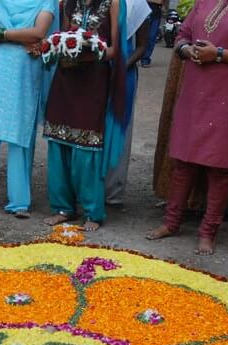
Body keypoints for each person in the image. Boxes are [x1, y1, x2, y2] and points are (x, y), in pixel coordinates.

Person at [146, 0, 228, 254]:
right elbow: (183, 34)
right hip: (195, 91)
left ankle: (208, 232)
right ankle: (171, 223)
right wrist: (187, 50)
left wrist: (218, 54)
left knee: (220, 167)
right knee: (183, 160)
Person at [42, 0, 127, 232]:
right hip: (66, 79)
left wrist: (90, 54)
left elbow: (114, 50)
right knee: (58, 141)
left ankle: (93, 211)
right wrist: (61, 49)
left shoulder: (114, 3)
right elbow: (64, 36)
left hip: (94, 81)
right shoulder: (68, 3)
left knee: (87, 145)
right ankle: (63, 208)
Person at [0, 0, 56, 217]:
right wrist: (18, 37)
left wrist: (3, 34)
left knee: (20, 133)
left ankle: (19, 202)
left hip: (23, 73)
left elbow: (38, 32)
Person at [104, 0, 150, 205]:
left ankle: (113, 191)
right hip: (94, 70)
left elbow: (142, 46)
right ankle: (89, 187)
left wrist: (121, 67)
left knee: (119, 129)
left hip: (124, 72)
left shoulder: (137, 4)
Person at [139, 0, 159, 66]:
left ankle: (145, 59)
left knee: (151, 37)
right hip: (143, 13)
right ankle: (139, 56)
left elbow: (160, 2)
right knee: (140, 36)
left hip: (156, 14)